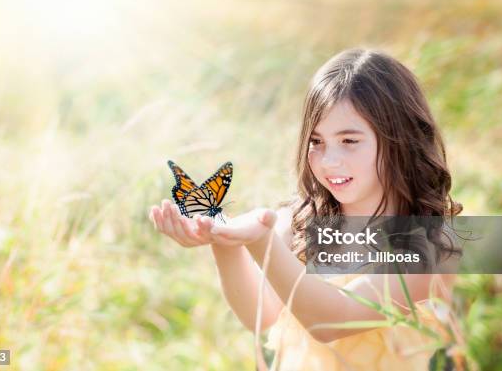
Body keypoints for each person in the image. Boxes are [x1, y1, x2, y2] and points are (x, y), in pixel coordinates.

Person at [149, 48, 462, 370]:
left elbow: (332, 322)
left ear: (400, 139)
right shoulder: (299, 223)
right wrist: (224, 240)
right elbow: (262, 315)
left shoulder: (430, 244)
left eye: (349, 141)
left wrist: (261, 241)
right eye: (316, 142)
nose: (329, 161)